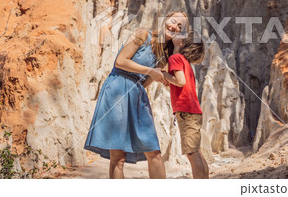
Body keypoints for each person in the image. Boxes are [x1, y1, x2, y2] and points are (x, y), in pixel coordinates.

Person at [84, 11, 189, 179]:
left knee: (154, 152)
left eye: (180, 26)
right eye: (173, 21)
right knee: (118, 157)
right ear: (165, 19)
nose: (174, 26)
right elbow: (120, 61)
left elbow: (151, 81)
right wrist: (150, 70)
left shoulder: (164, 55)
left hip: (137, 93)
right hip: (117, 88)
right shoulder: (142, 34)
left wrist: (174, 50)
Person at [160, 30, 209, 179]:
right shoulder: (183, 61)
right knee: (197, 151)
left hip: (186, 110)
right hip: (193, 110)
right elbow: (179, 83)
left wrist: (163, 74)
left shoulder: (175, 58)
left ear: (182, 43)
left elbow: (180, 82)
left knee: (192, 153)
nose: (179, 32)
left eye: (183, 34)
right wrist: (168, 78)